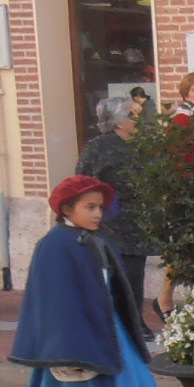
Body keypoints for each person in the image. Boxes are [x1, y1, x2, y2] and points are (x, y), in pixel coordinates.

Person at [0, 175, 178, 387]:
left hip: (110, 330)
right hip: (73, 336)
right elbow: (52, 302)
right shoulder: (53, 247)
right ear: (67, 208)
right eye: (89, 207)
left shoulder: (99, 239)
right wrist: (65, 347)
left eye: (100, 207)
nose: (97, 214)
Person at [74, 95, 149, 311]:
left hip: (137, 221)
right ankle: (118, 322)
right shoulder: (98, 147)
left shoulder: (142, 144)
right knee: (116, 274)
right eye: (134, 115)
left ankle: (134, 321)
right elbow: (83, 182)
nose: (140, 120)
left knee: (135, 273)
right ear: (118, 121)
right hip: (111, 221)